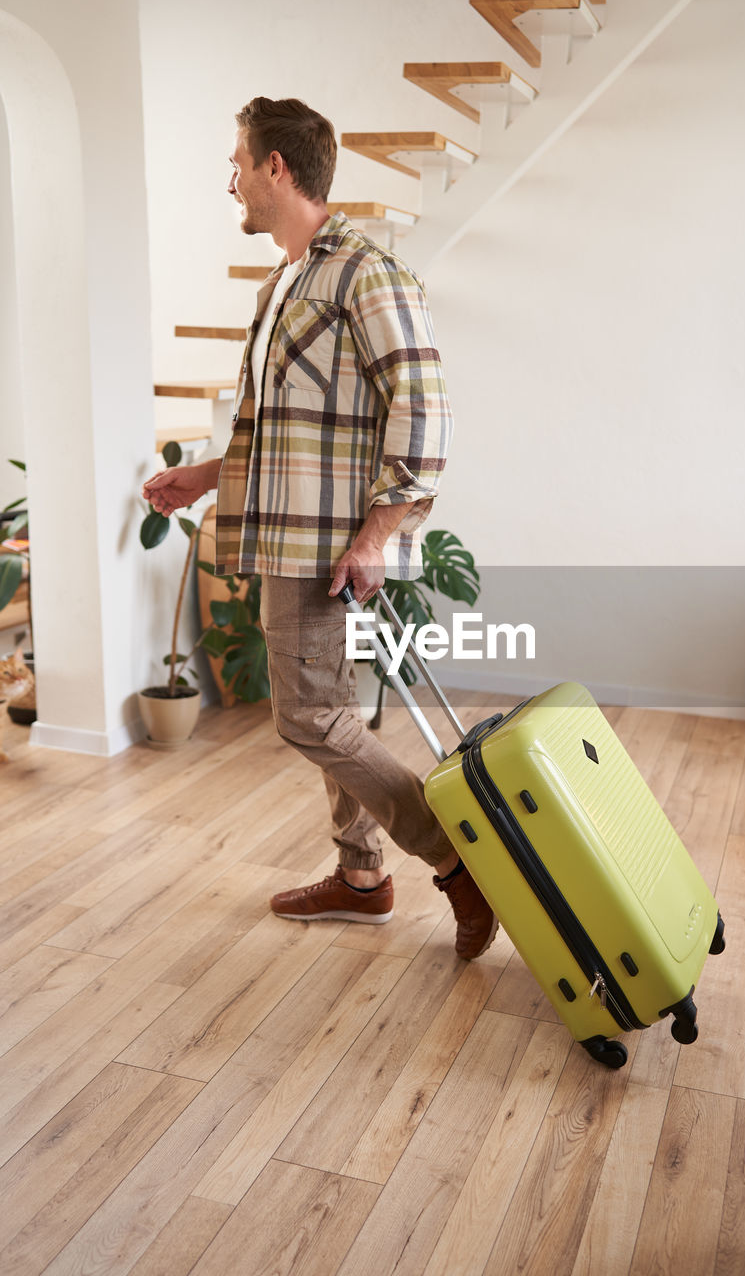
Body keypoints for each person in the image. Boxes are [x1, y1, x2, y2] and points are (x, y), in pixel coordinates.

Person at [143, 97, 497, 960]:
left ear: (277, 168)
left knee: (307, 720)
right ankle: (361, 877)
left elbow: (424, 412)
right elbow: (282, 432)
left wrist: (376, 536)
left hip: (328, 548)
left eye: (239, 160)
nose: (230, 177)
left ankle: (453, 859)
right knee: (331, 708)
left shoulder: (366, 272)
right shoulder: (284, 282)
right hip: (288, 533)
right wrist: (205, 474)